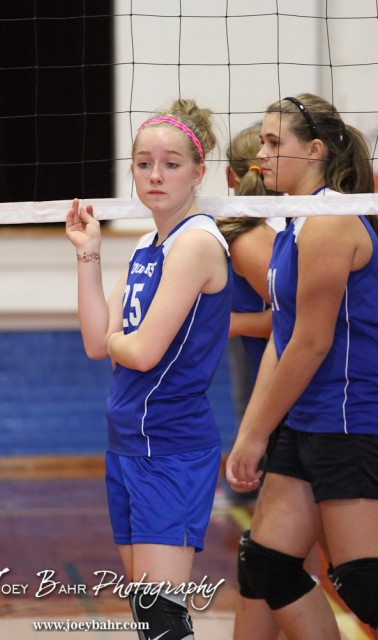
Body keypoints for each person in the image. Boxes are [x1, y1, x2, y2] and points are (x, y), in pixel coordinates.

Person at [66, 98, 232, 640]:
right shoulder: (146, 245)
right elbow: (98, 343)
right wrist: (88, 251)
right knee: (150, 618)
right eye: (143, 163)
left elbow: (142, 354)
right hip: (127, 443)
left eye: (171, 163)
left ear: (199, 172)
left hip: (171, 447)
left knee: (162, 620)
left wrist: (122, 343)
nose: (155, 175)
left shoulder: (197, 243)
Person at [226, 92, 378, 639]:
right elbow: (283, 339)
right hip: (306, 420)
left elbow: (311, 344)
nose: (260, 155)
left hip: (349, 420)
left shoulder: (331, 222)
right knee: (267, 564)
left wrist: (256, 433)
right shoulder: (294, 224)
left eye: (274, 143)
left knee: (363, 585)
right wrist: (251, 433)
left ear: (314, 151)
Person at [217, 125, 287, 640]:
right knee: (270, 560)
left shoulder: (255, 237)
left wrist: (226, 322)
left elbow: (301, 322)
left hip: (300, 391)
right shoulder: (236, 230)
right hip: (274, 379)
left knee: (281, 558)